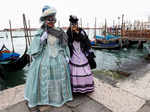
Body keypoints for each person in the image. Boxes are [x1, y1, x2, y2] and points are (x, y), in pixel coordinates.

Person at [24, 5, 72, 111]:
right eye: (48, 19)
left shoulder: (59, 31)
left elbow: (63, 45)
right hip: (44, 56)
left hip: (58, 56)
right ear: (44, 20)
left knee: (59, 73)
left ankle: (57, 98)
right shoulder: (41, 32)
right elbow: (34, 48)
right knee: (42, 71)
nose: (51, 21)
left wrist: (66, 56)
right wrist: (41, 40)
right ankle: (43, 99)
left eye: (52, 19)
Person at [67, 15, 95, 94]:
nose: (74, 25)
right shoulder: (68, 32)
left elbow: (85, 39)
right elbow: (66, 43)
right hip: (73, 53)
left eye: (75, 24)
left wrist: (77, 32)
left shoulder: (81, 31)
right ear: (70, 24)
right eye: (72, 24)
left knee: (85, 71)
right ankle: (76, 89)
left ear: (77, 24)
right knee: (74, 71)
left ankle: (85, 87)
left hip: (81, 52)